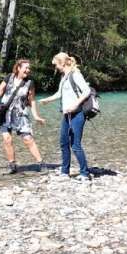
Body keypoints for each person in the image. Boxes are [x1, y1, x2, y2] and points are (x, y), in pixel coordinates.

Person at [0, 59, 47, 173]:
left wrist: (36, 116)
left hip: (21, 114)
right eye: (26, 68)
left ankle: (41, 163)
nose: (28, 70)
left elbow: (32, 100)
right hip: (5, 113)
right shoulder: (9, 77)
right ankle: (12, 165)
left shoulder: (30, 83)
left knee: (27, 138)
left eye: (29, 68)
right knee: (7, 139)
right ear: (18, 68)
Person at [39, 53, 91, 181]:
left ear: (62, 63)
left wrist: (75, 105)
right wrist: (47, 100)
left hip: (78, 114)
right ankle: (64, 172)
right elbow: (59, 93)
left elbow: (86, 91)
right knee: (63, 143)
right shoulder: (64, 77)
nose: (55, 67)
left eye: (56, 64)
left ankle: (85, 173)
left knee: (75, 144)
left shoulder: (75, 74)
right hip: (66, 114)